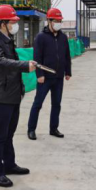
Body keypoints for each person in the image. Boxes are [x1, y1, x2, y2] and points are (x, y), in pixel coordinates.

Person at [0, 4, 37, 188]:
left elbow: (11, 64)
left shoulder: (8, 41)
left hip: (12, 95)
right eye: (12, 22)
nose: (15, 25)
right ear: (2, 24)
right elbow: (0, 62)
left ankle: (9, 165)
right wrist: (24, 66)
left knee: (9, 134)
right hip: (1, 96)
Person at [27, 8, 72, 140]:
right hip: (45, 78)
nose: (58, 23)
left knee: (56, 104)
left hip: (58, 77)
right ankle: (31, 129)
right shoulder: (41, 37)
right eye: (56, 21)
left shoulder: (63, 37)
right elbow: (37, 58)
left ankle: (53, 129)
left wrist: (68, 71)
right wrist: (39, 74)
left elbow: (67, 56)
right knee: (38, 104)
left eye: (60, 21)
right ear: (49, 21)